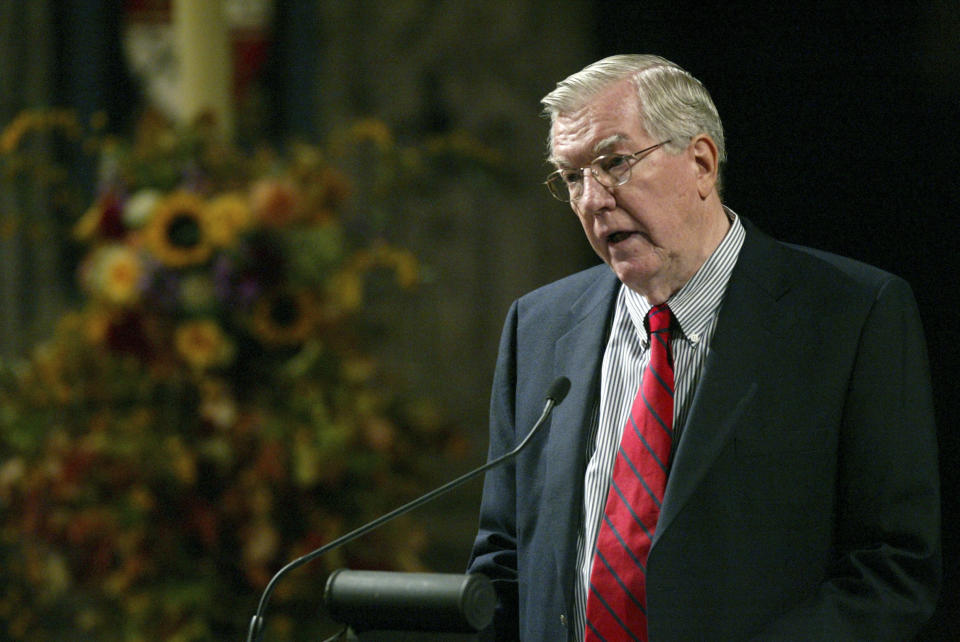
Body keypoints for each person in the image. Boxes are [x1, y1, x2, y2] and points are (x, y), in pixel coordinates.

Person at [466, 54, 940, 641]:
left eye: (613, 162)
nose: (591, 200)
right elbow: (505, 559)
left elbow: (892, 570)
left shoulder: (851, 315)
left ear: (701, 162)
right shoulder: (537, 326)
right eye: (570, 177)